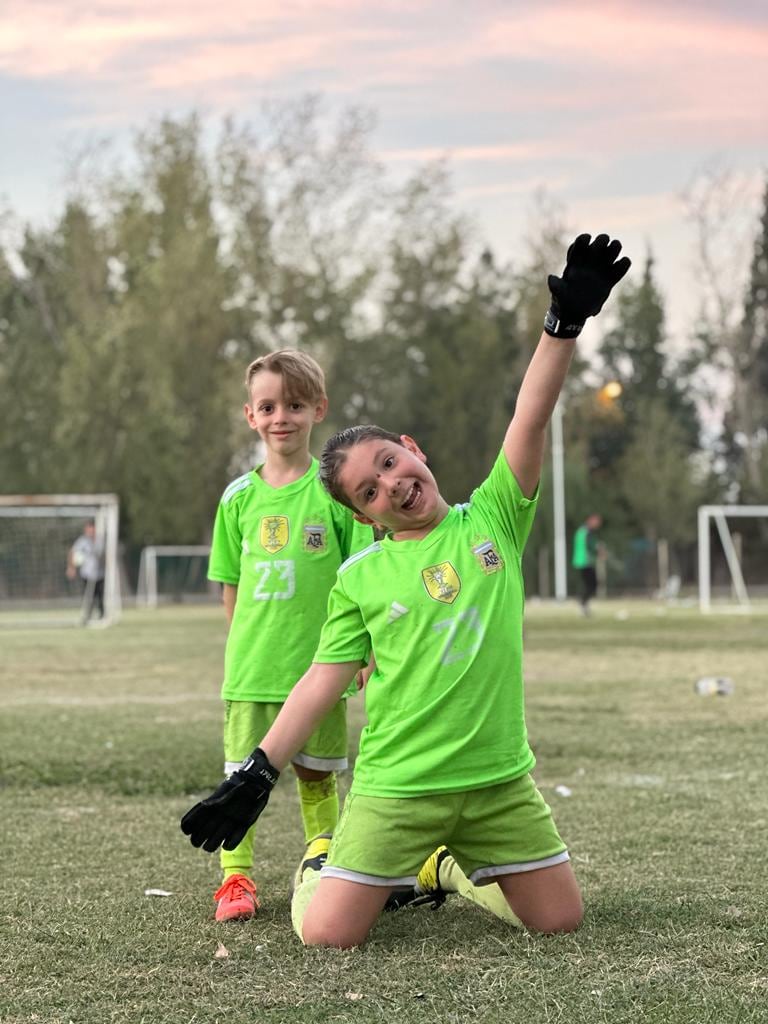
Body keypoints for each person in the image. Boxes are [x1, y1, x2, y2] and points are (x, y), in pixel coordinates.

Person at [181, 234, 631, 947]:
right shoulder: (360, 575)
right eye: (370, 490)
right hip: (399, 783)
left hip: (498, 782)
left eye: (391, 462)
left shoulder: (494, 517)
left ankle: (447, 869)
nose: (392, 484)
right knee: (326, 937)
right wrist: (258, 772)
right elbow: (321, 683)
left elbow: (530, 416)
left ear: (412, 448)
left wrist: (562, 327)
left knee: (560, 922)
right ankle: (320, 862)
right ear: (364, 516)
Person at [202, 349, 373, 923]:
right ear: (250, 415)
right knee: (242, 776)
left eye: (295, 405)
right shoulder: (238, 499)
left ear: (317, 410)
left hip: (320, 670)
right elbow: (231, 586)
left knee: (317, 774)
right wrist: (247, 649)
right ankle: (236, 878)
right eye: (269, 406)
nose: (283, 417)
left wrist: (365, 652)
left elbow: (363, 578)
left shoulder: (336, 494)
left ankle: (321, 867)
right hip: (253, 671)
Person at [66, 520, 105, 622]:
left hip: (99, 573)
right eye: (88, 529)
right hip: (87, 573)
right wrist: (71, 567)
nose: (91, 531)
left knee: (100, 596)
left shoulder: (100, 541)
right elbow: (72, 552)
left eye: (92, 529)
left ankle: (102, 615)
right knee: (88, 595)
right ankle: (88, 615)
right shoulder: (82, 541)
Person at [572, 514, 603, 615]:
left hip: (581, 561)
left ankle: (583, 604)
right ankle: (582, 604)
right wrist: (599, 551)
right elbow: (591, 546)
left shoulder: (581, 531)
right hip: (585, 561)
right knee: (591, 584)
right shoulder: (587, 532)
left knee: (588, 584)